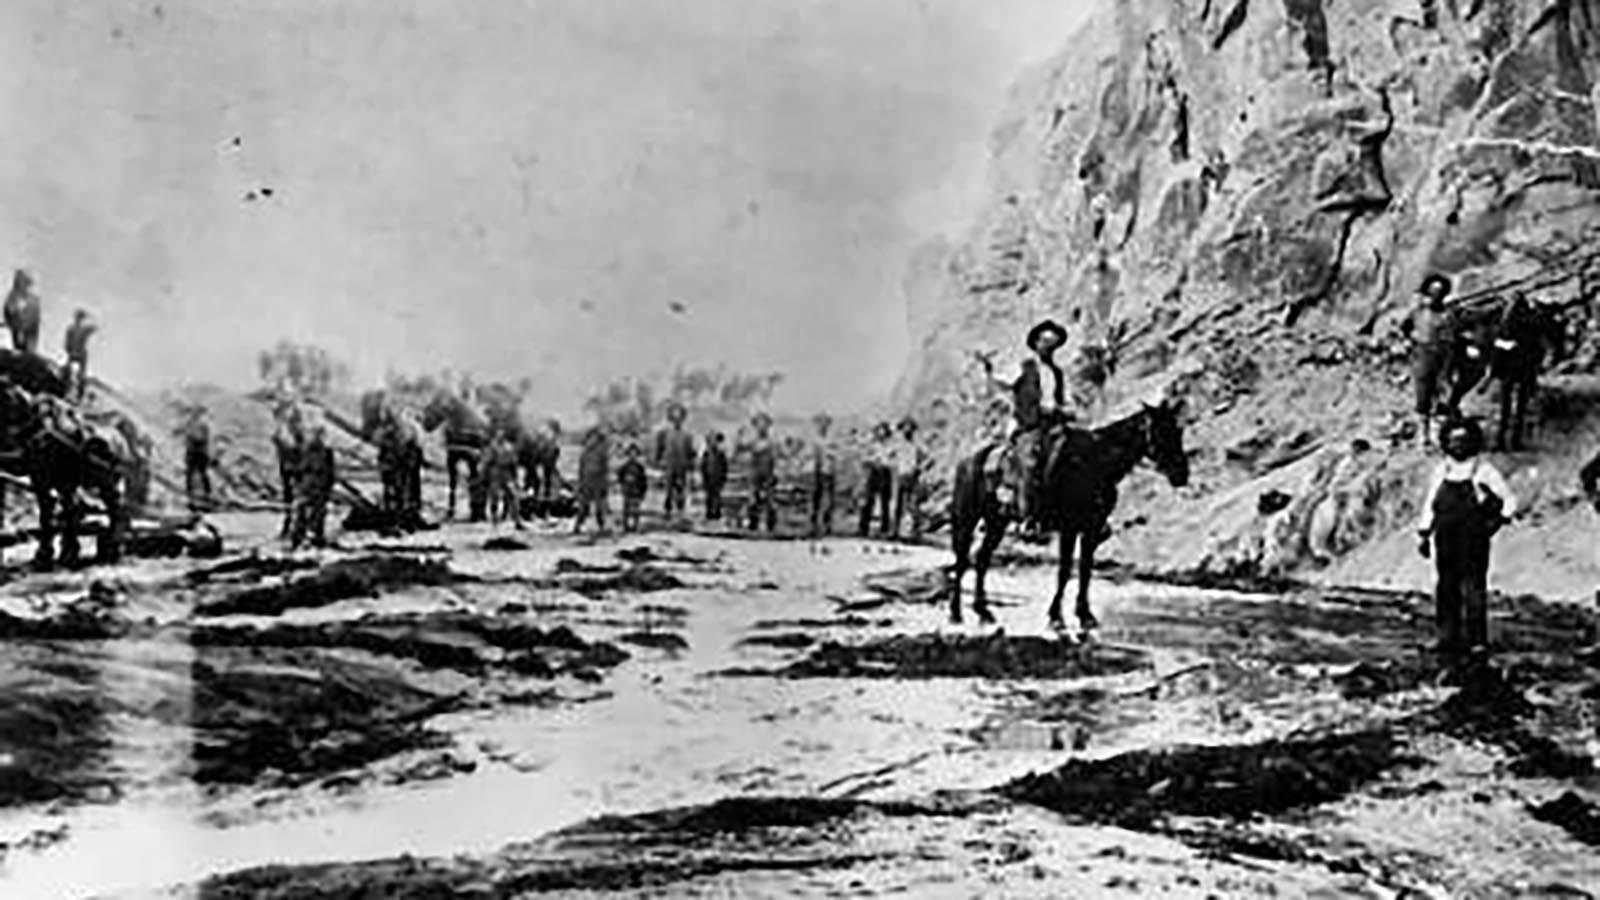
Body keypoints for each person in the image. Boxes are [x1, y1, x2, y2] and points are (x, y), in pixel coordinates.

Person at [1417, 417, 1515, 666]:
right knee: (1445, 586)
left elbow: (1509, 500)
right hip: (1444, 535)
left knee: (1473, 587)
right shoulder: (1442, 470)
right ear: (1446, 443)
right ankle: (1446, 637)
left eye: (1463, 440)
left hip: (1473, 537)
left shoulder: (1484, 470)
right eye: (1452, 440)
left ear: (1472, 442)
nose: (1457, 445)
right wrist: (1424, 533)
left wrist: (1497, 522)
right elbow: (1430, 503)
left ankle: (1477, 641)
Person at [979, 318, 1072, 535]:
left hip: (1054, 425)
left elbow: (1061, 399)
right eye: (1044, 341)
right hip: (1029, 425)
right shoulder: (1024, 367)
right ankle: (1027, 516)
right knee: (1030, 462)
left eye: (1053, 342)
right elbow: (1003, 382)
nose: (1048, 346)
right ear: (1036, 343)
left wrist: (1066, 409)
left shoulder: (1057, 372)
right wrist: (989, 370)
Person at [1402, 274, 1455, 445]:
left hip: (1441, 355)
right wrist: (1409, 342)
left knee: (1440, 395)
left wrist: (1448, 364)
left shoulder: (1447, 315)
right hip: (1422, 354)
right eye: (1432, 291)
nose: (1435, 295)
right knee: (1423, 394)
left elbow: (1450, 338)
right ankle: (1423, 436)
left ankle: (1437, 434)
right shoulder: (1418, 312)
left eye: (1439, 292)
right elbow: (1405, 327)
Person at [289, 413, 336, 550]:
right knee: (302, 512)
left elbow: (329, 471)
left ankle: (315, 538)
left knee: (318, 512)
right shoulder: (304, 450)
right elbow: (297, 470)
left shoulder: (326, 452)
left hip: (318, 485)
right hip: (308, 485)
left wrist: (327, 486)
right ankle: (299, 539)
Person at [654, 402, 696, 526]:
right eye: (674, 418)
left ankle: (680, 514)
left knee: (681, 490)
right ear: (671, 419)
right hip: (669, 467)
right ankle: (667, 513)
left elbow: (690, 453)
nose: (677, 421)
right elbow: (659, 450)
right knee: (668, 491)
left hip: (682, 467)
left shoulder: (687, 436)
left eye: (679, 418)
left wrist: (691, 466)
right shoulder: (664, 434)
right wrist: (658, 463)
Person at [891, 416, 925, 542]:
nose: (907, 430)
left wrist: (919, 468)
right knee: (898, 505)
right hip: (900, 476)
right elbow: (887, 456)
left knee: (912, 506)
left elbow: (928, 459)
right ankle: (895, 531)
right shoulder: (898, 445)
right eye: (905, 427)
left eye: (910, 428)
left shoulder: (917, 446)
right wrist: (894, 465)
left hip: (912, 477)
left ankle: (911, 534)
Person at [858, 422, 894, 537]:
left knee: (885, 502)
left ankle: (885, 528)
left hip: (885, 472)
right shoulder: (871, 444)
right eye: (879, 431)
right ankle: (863, 528)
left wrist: (886, 461)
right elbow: (864, 458)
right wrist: (872, 460)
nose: (881, 433)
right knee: (869, 500)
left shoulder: (891, 445)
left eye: (883, 431)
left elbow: (894, 459)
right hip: (873, 471)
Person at [574, 424, 611, 535]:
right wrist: (579, 483)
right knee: (583, 507)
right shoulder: (585, 453)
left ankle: (601, 526)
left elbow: (605, 469)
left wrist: (605, 484)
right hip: (586, 482)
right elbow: (581, 469)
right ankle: (578, 526)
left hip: (598, 482)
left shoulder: (601, 452)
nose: (591, 441)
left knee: (599, 507)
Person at [745, 412, 778, 533]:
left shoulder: (772, 442)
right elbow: (742, 451)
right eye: (759, 424)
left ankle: (771, 526)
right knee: (753, 500)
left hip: (768, 473)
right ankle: (753, 525)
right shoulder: (753, 442)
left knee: (770, 500)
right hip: (755, 474)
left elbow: (777, 457)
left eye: (764, 424)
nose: (762, 427)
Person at [484, 430, 523, 529]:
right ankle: (494, 519)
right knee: (494, 497)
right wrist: (485, 474)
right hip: (495, 473)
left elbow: (514, 463)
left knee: (513, 496)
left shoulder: (509, 447)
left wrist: (515, 478)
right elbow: (487, 461)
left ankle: (517, 519)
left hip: (506, 473)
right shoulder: (492, 447)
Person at [808, 413, 838, 537]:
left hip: (829, 472)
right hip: (817, 472)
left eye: (825, 423)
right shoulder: (815, 440)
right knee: (816, 499)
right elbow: (811, 455)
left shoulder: (831, 440)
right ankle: (814, 525)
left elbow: (835, 455)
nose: (822, 426)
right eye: (820, 423)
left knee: (829, 500)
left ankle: (827, 524)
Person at [181, 407, 213, 512]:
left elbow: (200, 440)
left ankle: (203, 498)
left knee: (199, 475)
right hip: (195, 454)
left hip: (198, 454)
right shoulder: (194, 426)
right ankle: (195, 499)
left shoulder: (201, 427)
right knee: (193, 476)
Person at [62, 308, 97, 402]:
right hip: (80, 354)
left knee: (70, 371)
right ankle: (78, 394)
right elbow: (95, 327)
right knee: (80, 374)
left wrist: (69, 351)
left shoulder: (71, 329)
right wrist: (90, 317)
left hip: (74, 353)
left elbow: (66, 345)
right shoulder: (83, 329)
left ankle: (68, 390)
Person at [3, 269, 41, 354]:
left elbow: (34, 320)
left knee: (25, 352)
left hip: (28, 334)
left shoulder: (33, 300)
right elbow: (9, 312)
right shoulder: (12, 296)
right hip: (18, 331)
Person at [618, 442, 649, 533]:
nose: (633, 455)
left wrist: (643, 491)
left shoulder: (640, 467)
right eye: (631, 453)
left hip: (636, 491)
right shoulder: (624, 467)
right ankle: (626, 526)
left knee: (636, 510)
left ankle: (635, 526)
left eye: (634, 454)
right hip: (627, 490)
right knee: (626, 509)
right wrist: (623, 485)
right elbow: (620, 477)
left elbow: (643, 480)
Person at [701, 430, 728, 521]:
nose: (714, 443)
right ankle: (709, 513)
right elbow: (703, 467)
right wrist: (704, 479)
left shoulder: (721, 455)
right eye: (712, 440)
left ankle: (717, 513)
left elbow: (724, 468)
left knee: (717, 496)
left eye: (715, 440)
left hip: (717, 479)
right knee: (709, 497)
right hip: (709, 479)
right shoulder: (706, 454)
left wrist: (723, 479)